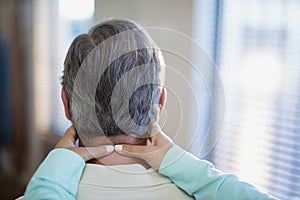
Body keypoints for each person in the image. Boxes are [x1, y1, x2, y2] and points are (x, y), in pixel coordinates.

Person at [22, 19, 276, 200]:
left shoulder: (40, 192)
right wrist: (181, 162)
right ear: (161, 101)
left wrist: (56, 166)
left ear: (66, 103)